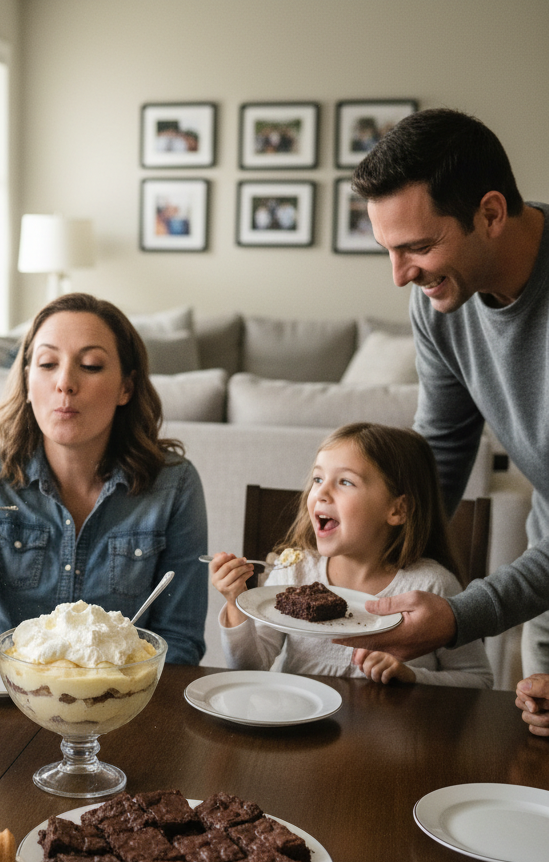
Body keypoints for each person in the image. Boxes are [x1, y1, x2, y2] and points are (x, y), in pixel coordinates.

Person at [347, 108, 549, 687]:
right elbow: (440, 450)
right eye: (388, 249)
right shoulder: (440, 307)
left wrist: (461, 616)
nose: (400, 275)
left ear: (491, 214)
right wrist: (365, 550)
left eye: (417, 247)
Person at [0, 292, 208, 664]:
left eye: (91, 365)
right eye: (47, 363)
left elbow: (180, 643)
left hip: (121, 692)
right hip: (6, 690)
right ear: (27, 380)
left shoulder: (174, 485)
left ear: (126, 387)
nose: (65, 383)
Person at [210, 423, 492, 688]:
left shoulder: (431, 587)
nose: (321, 492)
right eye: (318, 478)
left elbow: (479, 680)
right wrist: (235, 601)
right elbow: (250, 666)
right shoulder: (294, 572)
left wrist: (412, 675)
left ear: (397, 510)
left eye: (345, 482)